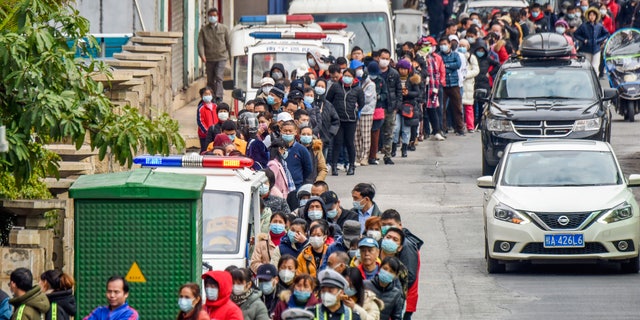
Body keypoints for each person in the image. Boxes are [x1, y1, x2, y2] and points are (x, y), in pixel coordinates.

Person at [380, 209, 424, 320]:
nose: (387, 228)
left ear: (400, 225)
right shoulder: (386, 242)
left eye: (390, 224)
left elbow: (410, 276)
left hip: (404, 301)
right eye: (384, 225)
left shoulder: (406, 245)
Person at [326, 68, 365, 176]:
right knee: (337, 143)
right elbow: (328, 100)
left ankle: (351, 166)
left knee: (349, 143)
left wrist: (355, 110)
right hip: (338, 119)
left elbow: (362, 103)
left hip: (351, 120)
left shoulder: (358, 89)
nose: (346, 78)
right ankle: (334, 166)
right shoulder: (336, 86)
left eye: (349, 76)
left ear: (353, 77)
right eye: (345, 75)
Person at [198, 8, 230, 102]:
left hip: (221, 57)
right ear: (208, 17)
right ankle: (211, 96)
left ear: (218, 16)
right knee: (210, 79)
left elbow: (228, 43)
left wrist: (231, 57)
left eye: (214, 15)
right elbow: (200, 44)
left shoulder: (224, 28)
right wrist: (202, 55)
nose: (212, 17)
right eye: (211, 16)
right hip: (209, 58)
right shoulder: (204, 30)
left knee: (219, 77)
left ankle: (219, 96)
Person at [378, 49, 402, 165]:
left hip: (390, 106)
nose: (385, 61)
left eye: (387, 59)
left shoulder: (394, 73)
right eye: (383, 58)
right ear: (378, 58)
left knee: (389, 132)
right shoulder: (373, 72)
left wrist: (397, 105)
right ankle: (372, 154)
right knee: (375, 131)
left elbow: (399, 90)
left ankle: (387, 155)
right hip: (376, 106)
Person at [394, 59, 421, 158]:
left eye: (405, 69)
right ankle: (393, 146)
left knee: (406, 129)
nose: (403, 71)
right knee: (396, 128)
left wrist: (408, 93)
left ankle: (404, 148)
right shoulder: (395, 78)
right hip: (397, 106)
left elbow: (417, 93)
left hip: (408, 106)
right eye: (401, 68)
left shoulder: (412, 79)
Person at [439, 37, 464, 136]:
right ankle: (443, 128)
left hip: (454, 84)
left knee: (457, 107)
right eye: (441, 44)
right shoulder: (439, 56)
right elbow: (440, 67)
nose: (443, 46)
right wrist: (447, 67)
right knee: (442, 108)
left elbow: (457, 65)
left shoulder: (455, 55)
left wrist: (446, 66)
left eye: (445, 44)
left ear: (449, 44)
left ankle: (459, 128)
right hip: (443, 84)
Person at [574, 7, 610, 73]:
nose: (592, 17)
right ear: (588, 16)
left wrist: (599, 40)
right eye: (590, 15)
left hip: (596, 49)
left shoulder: (599, 26)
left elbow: (606, 33)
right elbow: (576, 34)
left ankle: (595, 80)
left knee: (595, 66)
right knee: (587, 66)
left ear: (596, 16)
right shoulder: (584, 25)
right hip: (586, 48)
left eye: (593, 15)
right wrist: (584, 40)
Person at [366, 61, 388, 165]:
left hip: (377, 109)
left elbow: (385, 94)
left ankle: (373, 156)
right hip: (366, 110)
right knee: (365, 134)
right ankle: (364, 156)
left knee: (375, 134)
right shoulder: (365, 80)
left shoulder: (381, 80)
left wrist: (379, 97)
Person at [312, 79, 340, 159]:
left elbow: (336, 121)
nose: (320, 88)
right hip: (310, 139)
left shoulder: (328, 105)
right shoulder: (310, 103)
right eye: (318, 86)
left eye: (322, 86)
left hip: (324, 140)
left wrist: (330, 134)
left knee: (322, 162)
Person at [281, 121, 313, 190]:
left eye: (290, 131)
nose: (287, 133)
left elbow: (308, 169)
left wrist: (298, 178)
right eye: (285, 131)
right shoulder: (275, 148)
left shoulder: (302, 149)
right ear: (281, 131)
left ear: (295, 132)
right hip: (280, 185)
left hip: (296, 185)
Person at [459, 38, 479, 133]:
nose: (461, 48)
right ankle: (460, 125)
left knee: (468, 107)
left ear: (468, 47)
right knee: (459, 107)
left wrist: (466, 75)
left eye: (464, 46)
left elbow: (476, 70)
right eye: (460, 45)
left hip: (468, 85)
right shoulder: (457, 56)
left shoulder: (471, 57)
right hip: (459, 83)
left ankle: (470, 126)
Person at [197, 87, 218, 153]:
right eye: (206, 94)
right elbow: (200, 121)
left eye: (209, 94)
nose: (208, 96)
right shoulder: (201, 108)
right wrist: (207, 132)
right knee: (205, 150)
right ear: (201, 96)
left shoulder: (215, 106)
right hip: (204, 135)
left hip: (215, 133)